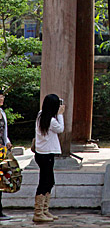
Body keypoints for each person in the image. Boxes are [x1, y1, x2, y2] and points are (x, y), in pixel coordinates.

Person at [33, 94, 65, 224]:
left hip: (42, 153)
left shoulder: (41, 115)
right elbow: (61, 129)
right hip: (46, 154)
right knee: (45, 182)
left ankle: (44, 210)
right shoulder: (52, 121)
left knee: (49, 181)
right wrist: (61, 114)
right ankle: (38, 212)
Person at [0, 90, 12, 221]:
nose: (2, 99)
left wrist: (7, 142)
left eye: (2, 97)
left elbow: (4, 132)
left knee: (1, 181)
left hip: (1, 152)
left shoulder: (2, 113)